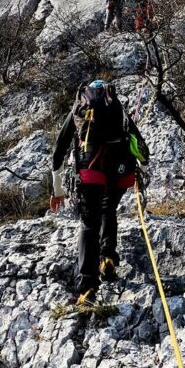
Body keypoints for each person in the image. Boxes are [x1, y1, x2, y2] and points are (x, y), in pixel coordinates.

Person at [50, 80, 149, 306]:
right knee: (109, 209)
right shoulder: (117, 110)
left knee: (89, 223)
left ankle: (87, 287)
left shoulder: (80, 110)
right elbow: (140, 145)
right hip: (120, 169)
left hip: (90, 167)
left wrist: (57, 188)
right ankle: (107, 257)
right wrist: (143, 168)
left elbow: (60, 146)